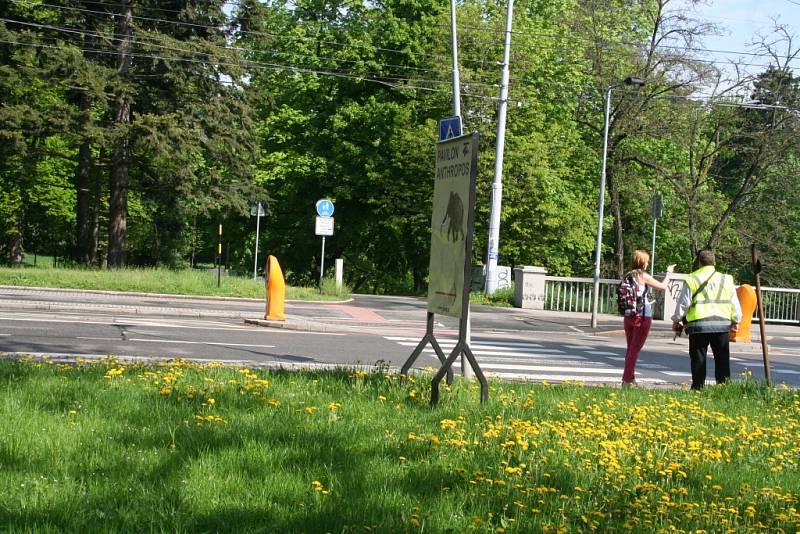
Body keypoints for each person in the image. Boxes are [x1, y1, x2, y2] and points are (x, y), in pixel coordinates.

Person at [671, 249, 742, 390]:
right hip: (721, 325)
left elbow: (684, 303)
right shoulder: (726, 279)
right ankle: (723, 388)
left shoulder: (692, 278)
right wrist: (736, 320)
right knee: (722, 359)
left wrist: (676, 320)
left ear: (699, 262)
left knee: (698, 359)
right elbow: (734, 302)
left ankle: (698, 388)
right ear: (714, 262)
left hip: (699, 325)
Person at [621, 250, 674, 387]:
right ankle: (627, 380)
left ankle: (629, 378)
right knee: (635, 348)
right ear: (642, 262)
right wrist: (668, 273)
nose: (648, 263)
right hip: (642, 314)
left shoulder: (627, 275)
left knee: (630, 348)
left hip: (629, 314)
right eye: (647, 260)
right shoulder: (643, 276)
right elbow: (662, 287)